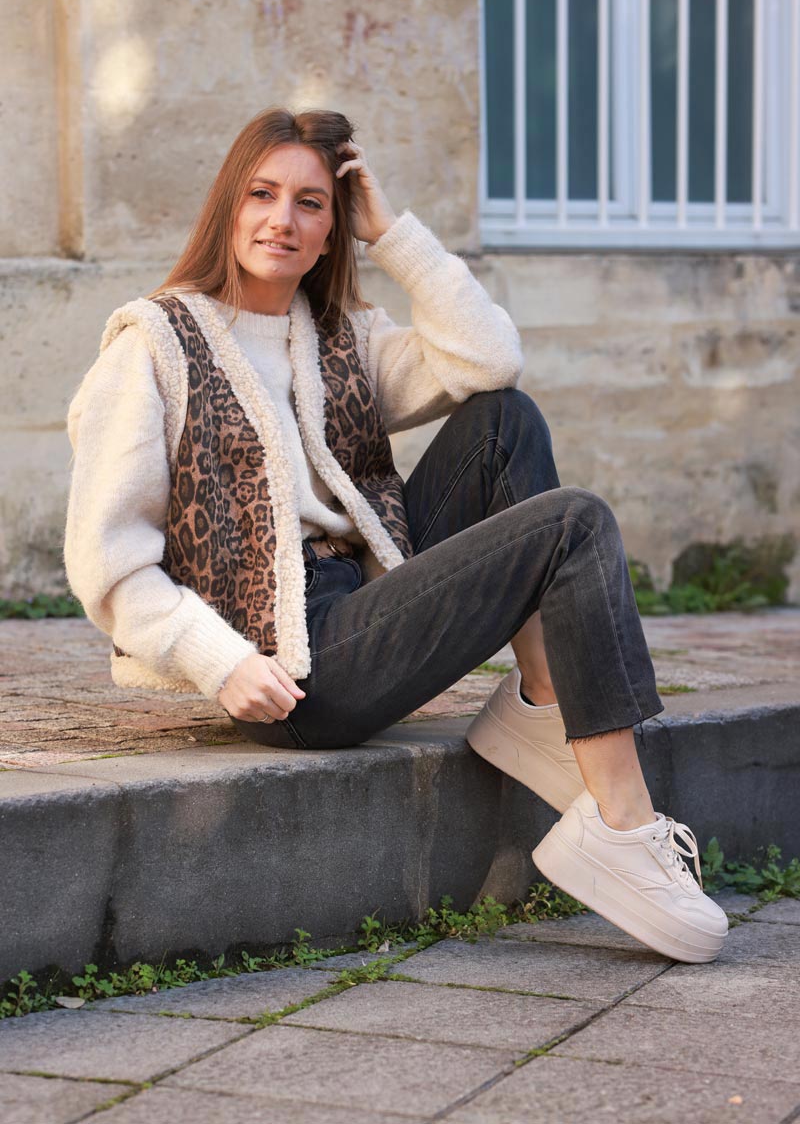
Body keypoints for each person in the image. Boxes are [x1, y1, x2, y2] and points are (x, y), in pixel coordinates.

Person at [64, 107, 727, 964]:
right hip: (291, 664)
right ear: (228, 205)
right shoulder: (152, 341)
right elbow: (106, 560)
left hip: (368, 604)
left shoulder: (339, 336)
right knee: (575, 524)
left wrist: (393, 234)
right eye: (263, 195)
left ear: (333, 226)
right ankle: (624, 827)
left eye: (312, 203)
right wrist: (218, 659)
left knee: (505, 422)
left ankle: (543, 706)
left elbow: (488, 360)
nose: (283, 220)